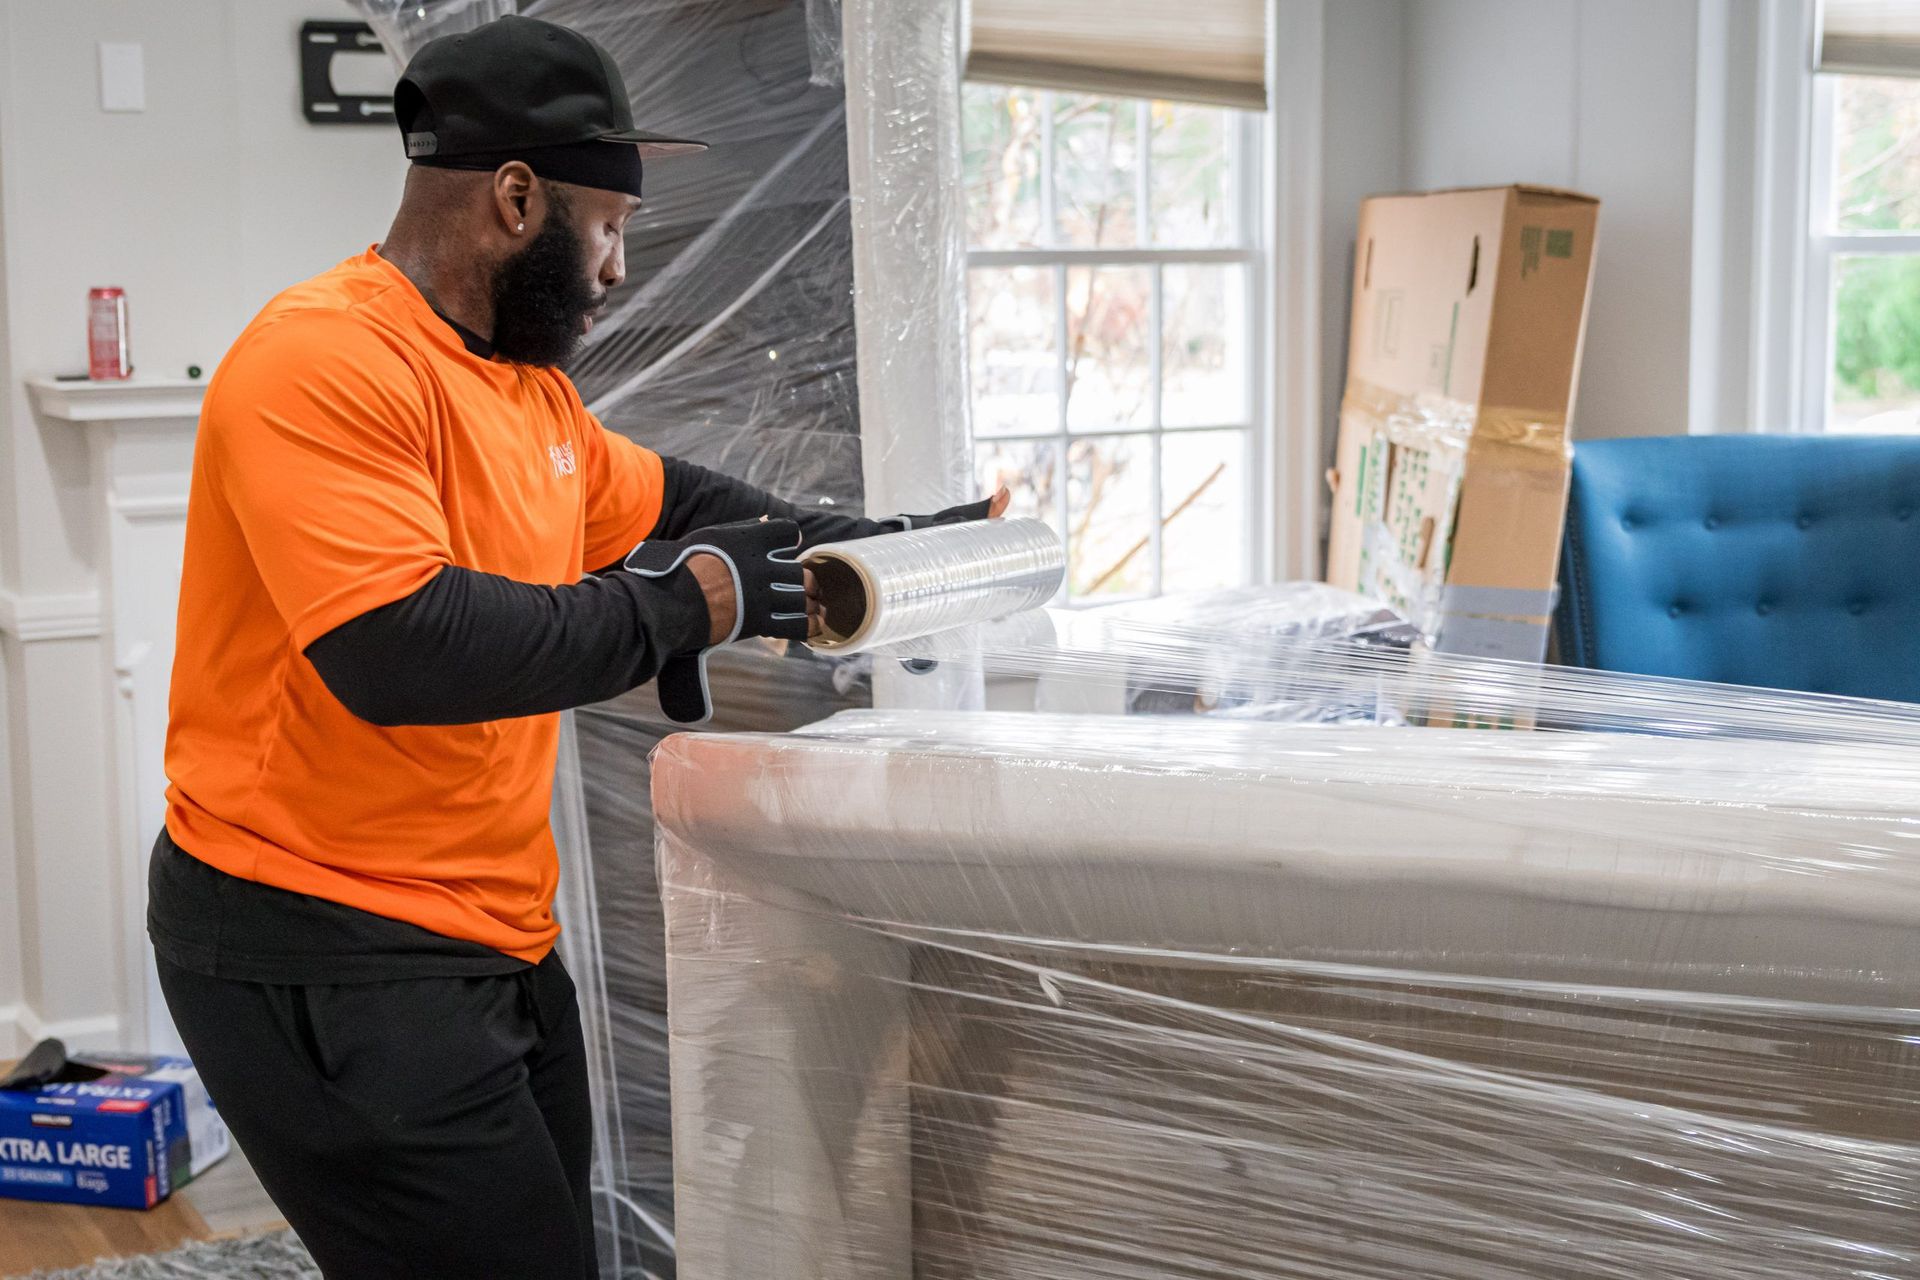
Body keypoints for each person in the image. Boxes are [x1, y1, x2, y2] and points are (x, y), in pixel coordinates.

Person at [146, 15, 1006, 1279]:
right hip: (318, 945)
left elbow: (689, 509)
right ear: (512, 198)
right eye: (607, 227)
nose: (615, 266)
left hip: (488, 930)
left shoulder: (523, 389)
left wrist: (892, 546)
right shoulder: (322, 362)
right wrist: (696, 604)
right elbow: (403, 650)